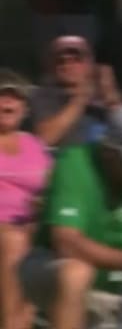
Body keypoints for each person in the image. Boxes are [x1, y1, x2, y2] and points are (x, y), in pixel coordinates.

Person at [19, 106, 122, 329]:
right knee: (76, 273)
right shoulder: (73, 163)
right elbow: (67, 244)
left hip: (119, 288)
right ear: (109, 151)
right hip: (50, 270)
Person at [0, 69, 52, 329]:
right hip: (4, 228)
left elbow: (53, 186)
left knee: (35, 237)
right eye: (2, 95)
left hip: (33, 225)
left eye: (15, 97)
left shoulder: (33, 143)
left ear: (25, 107)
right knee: (14, 239)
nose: (8, 102)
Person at [30, 36, 121, 149]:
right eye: (61, 61)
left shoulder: (103, 91)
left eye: (76, 60)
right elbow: (44, 139)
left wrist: (111, 95)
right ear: (52, 67)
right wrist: (80, 99)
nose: (67, 66)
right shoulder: (43, 95)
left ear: (90, 63)